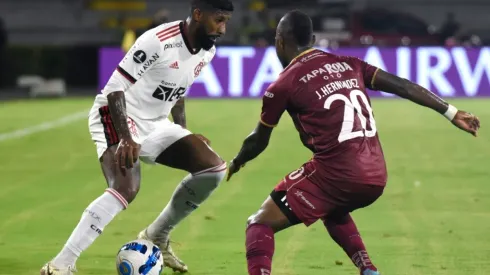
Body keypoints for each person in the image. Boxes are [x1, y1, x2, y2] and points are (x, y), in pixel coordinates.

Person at [227, 10, 480, 275]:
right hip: (376, 175)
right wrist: (451, 112)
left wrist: (237, 161)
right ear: (313, 38)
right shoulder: (350, 63)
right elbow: (404, 86)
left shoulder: (283, 85)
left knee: (259, 223)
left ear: (279, 42)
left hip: (338, 174)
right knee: (331, 206)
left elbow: (258, 140)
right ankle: (368, 269)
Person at [41, 0, 233, 274]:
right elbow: (114, 88)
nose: (223, 29)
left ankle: (156, 235)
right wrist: (126, 137)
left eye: (226, 21)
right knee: (125, 187)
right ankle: (61, 264)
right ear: (198, 14)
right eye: (219, 20)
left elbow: (178, 91)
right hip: (116, 114)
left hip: (155, 123)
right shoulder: (157, 40)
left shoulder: (207, 50)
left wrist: (183, 131)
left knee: (213, 168)